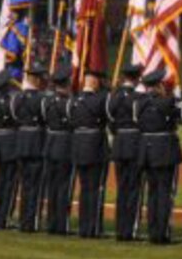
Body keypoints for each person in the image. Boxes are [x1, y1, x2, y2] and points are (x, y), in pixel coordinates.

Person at [136, 66, 182, 245]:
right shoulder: (167, 102)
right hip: (164, 151)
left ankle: (152, 230)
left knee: (152, 193)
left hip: (146, 151)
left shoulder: (139, 103)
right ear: (159, 85)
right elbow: (179, 118)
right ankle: (162, 233)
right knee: (165, 193)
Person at [69, 66, 110, 238]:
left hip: (78, 147)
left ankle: (83, 226)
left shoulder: (75, 100)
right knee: (95, 189)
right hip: (95, 148)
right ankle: (92, 228)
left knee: (84, 188)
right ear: (94, 82)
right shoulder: (101, 100)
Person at [107, 63, 145, 241]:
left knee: (122, 188)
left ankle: (120, 229)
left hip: (119, 143)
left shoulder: (113, 96)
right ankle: (130, 229)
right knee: (133, 189)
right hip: (135, 144)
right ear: (137, 78)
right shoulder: (138, 98)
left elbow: (110, 120)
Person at [39, 63, 76, 235]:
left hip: (50, 144)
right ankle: (60, 224)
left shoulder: (47, 102)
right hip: (64, 145)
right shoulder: (68, 103)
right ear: (67, 83)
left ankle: (51, 222)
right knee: (63, 187)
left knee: (51, 187)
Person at [12, 62, 46, 232]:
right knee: (35, 185)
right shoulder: (42, 99)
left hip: (21, 142)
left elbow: (14, 116)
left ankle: (22, 219)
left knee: (24, 185)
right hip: (36, 143)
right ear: (37, 80)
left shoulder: (17, 98)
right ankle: (31, 221)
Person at [0, 67, 21, 229]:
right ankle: (5, 216)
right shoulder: (12, 100)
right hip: (11, 141)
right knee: (10, 181)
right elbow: (17, 119)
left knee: (0, 181)